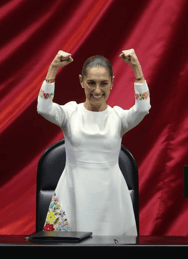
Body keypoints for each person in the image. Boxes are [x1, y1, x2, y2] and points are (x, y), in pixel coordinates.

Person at [37, 49, 150, 236]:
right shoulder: (70, 113)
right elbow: (44, 107)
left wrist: (136, 68)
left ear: (112, 82)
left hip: (112, 199)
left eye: (104, 83)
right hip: (72, 195)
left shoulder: (118, 118)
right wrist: (53, 68)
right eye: (91, 83)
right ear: (81, 81)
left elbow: (143, 108)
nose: (97, 90)